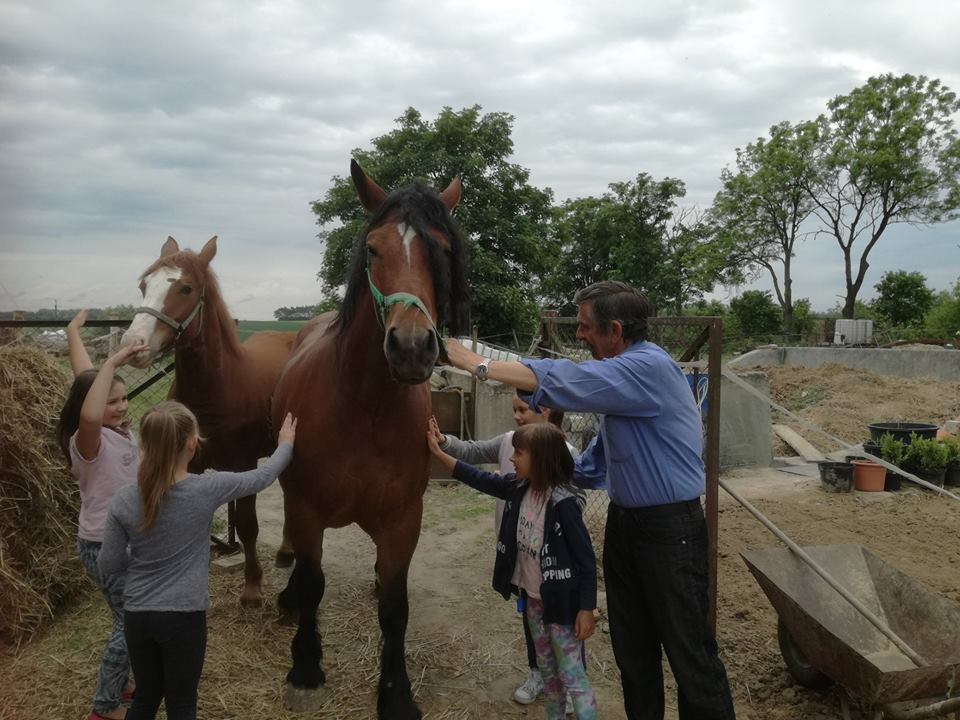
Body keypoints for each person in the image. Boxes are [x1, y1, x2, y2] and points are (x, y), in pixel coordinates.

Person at [442, 281, 736, 720]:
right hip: (627, 526)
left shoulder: (646, 368)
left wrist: (477, 363)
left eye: (584, 327)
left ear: (614, 330)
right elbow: (593, 465)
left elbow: (568, 376)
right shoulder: (621, 390)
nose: (579, 335)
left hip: (670, 531)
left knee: (690, 654)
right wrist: (537, 463)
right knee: (633, 654)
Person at [97, 402, 297, 720]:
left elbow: (108, 564)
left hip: (138, 616)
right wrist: (285, 444)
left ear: (145, 445)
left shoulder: (124, 498)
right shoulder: (207, 489)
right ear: (192, 444)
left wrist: (144, 554)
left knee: (146, 697)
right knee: (182, 704)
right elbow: (264, 476)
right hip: (182, 618)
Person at [428, 421, 598, 720]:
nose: (511, 458)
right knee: (547, 673)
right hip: (534, 603)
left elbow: (586, 561)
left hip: (563, 607)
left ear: (540, 459)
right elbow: (476, 477)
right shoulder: (518, 488)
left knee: (573, 678)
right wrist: (439, 452)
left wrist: (587, 608)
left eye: (519, 453)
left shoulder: (564, 504)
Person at [57, 310, 146, 720]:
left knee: (126, 617)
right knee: (129, 623)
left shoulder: (118, 431)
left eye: (125, 398)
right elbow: (90, 407)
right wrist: (114, 360)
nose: (121, 406)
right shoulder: (87, 442)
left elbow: (85, 379)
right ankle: (105, 706)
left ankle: (122, 683)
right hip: (103, 543)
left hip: (125, 539)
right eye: (113, 400)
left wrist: (74, 332)